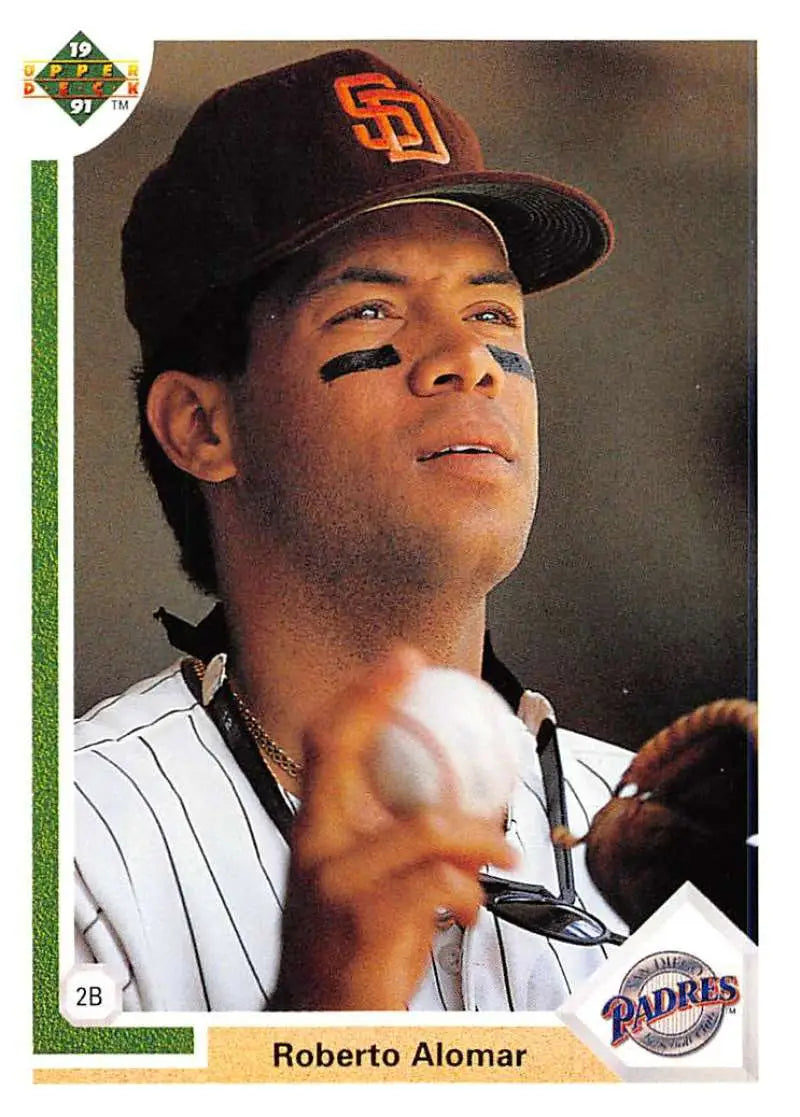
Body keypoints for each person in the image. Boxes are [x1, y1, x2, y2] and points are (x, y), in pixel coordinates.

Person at [74, 48, 633, 1013]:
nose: (470, 360)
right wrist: (326, 1021)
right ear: (205, 427)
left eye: (492, 310)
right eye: (371, 308)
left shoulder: (664, 832)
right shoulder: (66, 848)